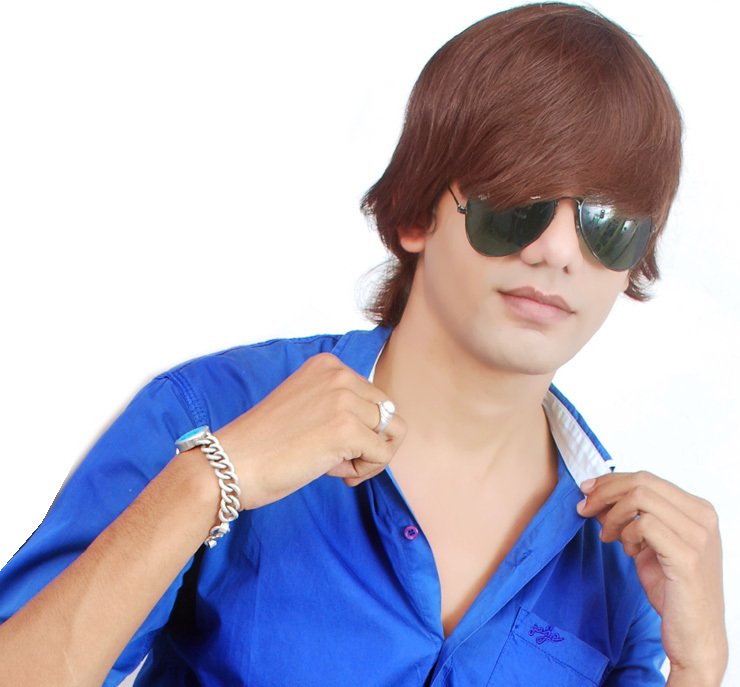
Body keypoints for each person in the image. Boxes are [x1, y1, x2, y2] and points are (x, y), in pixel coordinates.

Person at [0, 3, 727, 686]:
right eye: (517, 204)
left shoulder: (624, 558)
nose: (560, 252)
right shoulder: (209, 413)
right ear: (415, 216)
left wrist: (699, 669)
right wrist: (211, 480)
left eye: (606, 224)